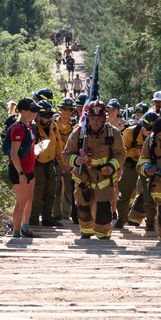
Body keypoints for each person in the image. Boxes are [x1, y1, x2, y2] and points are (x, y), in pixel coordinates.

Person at [63, 101, 126, 239]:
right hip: (83, 177)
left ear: (104, 118)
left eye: (98, 118)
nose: (95, 122)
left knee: (103, 209)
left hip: (104, 177)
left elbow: (120, 153)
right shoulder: (79, 133)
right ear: (88, 118)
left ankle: (104, 235)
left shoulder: (113, 133)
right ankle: (86, 233)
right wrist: (77, 160)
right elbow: (66, 154)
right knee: (83, 208)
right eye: (92, 118)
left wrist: (111, 166)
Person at [115, 111, 159, 231]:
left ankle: (150, 223)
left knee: (149, 193)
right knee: (125, 191)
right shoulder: (130, 132)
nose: (149, 132)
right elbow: (121, 152)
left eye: (152, 130)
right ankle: (121, 219)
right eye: (147, 129)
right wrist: (137, 152)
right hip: (131, 163)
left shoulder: (159, 135)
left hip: (148, 165)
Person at [8, 97, 41, 238]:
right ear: (22, 111)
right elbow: (13, 154)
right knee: (21, 202)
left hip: (29, 169)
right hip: (19, 170)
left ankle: (25, 227)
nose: (34, 113)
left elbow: (28, 148)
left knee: (29, 198)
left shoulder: (29, 126)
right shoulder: (18, 128)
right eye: (31, 110)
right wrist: (21, 173)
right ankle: (16, 233)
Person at [29, 100, 65, 228]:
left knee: (51, 191)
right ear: (38, 116)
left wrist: (62, 162)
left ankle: (47, 218)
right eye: (46, 117)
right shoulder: (32, 128)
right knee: (37, 193)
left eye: (50, 116)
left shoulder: (53, 127)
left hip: (50, 163)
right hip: (36, 164)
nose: (49, 119)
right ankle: (33, 219)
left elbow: (58, 146)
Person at [53, 97, 77, 223]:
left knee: (69, 188)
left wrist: (68, 163)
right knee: (55, 187)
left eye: (69, 110)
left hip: (69, 161)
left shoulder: (74, 127)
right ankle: (55, 213)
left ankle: (65, 213)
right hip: (54, 160)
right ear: (60, 110)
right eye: (64, 109)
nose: (66, 112)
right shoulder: (52, 125)